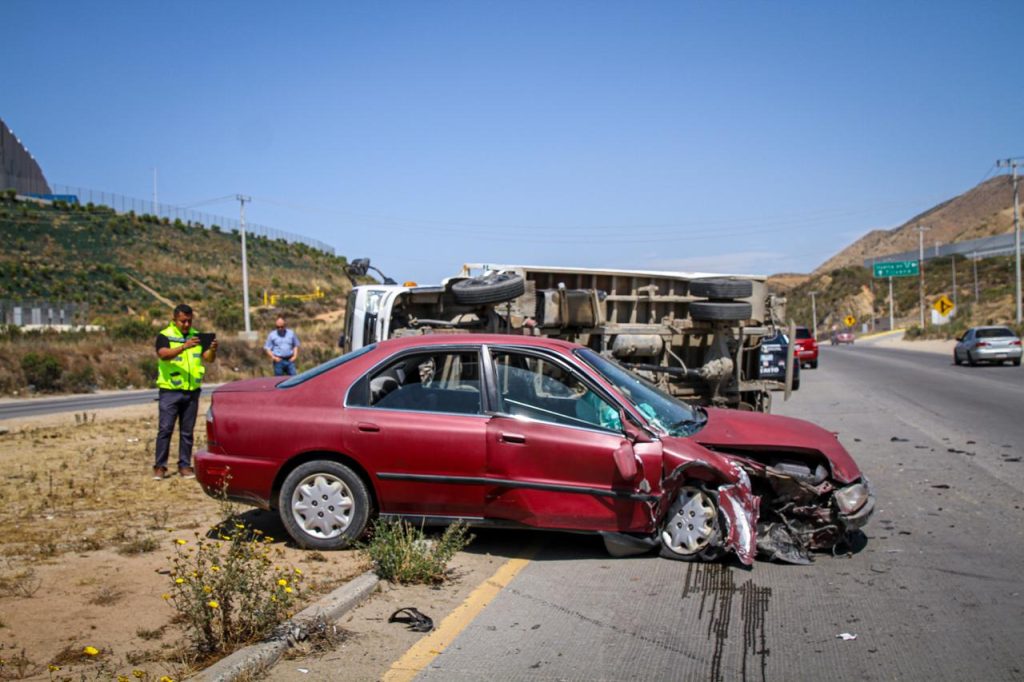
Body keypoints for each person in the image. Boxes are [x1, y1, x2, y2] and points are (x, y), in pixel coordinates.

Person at [153, 303, 217, 479]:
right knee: (165, 429)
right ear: (174, 320)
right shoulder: (165, 335)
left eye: (189, 321)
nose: (186, 325)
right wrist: (183, 346)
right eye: (183, 321)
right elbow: (163, 354)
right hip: (170, 390)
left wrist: (212, 349)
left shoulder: (197, 336)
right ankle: (160, 467)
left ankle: (184, 466)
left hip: (191, 391)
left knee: (187, 431)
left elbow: (208, 359)